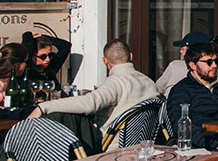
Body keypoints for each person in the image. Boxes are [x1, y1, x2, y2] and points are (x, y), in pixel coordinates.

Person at [27, 39, 160, 130]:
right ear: (130, 56)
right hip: (142, 142)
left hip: (113, 146)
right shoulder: (148, 81)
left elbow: (89, 104)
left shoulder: (115, 82)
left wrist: (43, 107)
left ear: (104, 61)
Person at [156, 30, 217, 97]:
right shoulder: (215, 73)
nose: (180, 51)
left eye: (183, 48)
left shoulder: (175, 66)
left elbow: (158, 88)